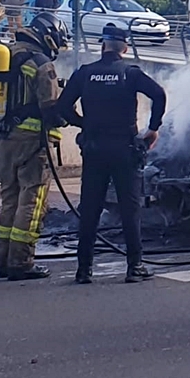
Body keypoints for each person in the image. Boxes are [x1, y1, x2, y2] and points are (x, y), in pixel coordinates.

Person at [57, 26, 167, 284]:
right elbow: (159, 94)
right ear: (125, 48)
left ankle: (83, 270)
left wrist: (85, 124)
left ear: (103, 46)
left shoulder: (85, 73)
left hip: (94, 148)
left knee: (91, 208)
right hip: (124, 149)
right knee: (130, 208)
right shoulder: (130, 74)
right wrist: (153, 129)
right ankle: (134, 266)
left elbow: (62, 106)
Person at [0, 11, 68, 281]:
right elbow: (49, 108)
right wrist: (66, 116)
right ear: (48, 35)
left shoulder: (7, 55)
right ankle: (21, 262)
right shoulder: (42, 64)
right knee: (33, 201)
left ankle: (4, 260)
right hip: (32, 143)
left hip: (4, 139)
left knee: (10, 199)